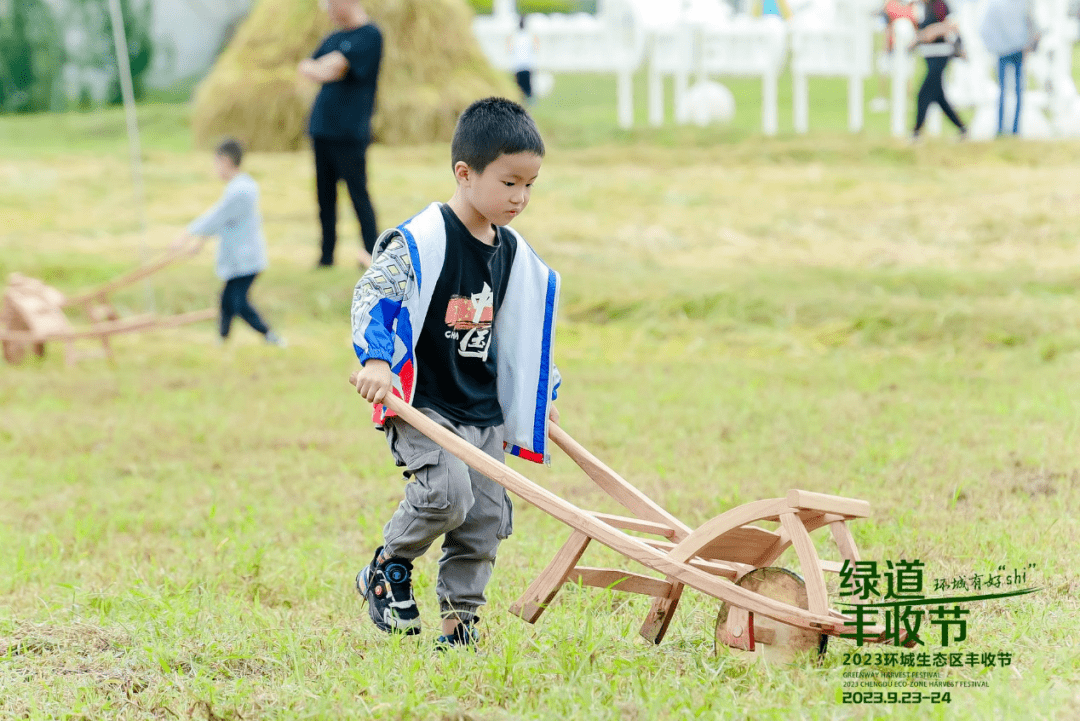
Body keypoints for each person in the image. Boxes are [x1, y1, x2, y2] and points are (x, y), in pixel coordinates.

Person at [350, 98, 561, 649]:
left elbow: (524, 330)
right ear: (464, 174)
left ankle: (458, 623)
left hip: (483, 408)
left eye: (530, 185)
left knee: (485, 518)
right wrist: (376, 358)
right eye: (510, 182)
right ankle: (388, 564)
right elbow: (377, 292)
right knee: (447, 494)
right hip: (427, 403)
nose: (520, 198)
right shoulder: (423, 238)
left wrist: (544, 394)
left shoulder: (512, 252)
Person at [173, 139, 286, 348]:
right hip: (240, 257)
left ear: (225, 161)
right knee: (226, 301)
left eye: (216, 163)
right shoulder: (239, 187)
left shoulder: (241, 190)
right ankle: (222, 340)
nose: (215, 169)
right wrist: (200, 241)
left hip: (246, 258)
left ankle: (269, 336)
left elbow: (217, 216)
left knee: (237, 302)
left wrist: (188, 234)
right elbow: (224, 219)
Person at [299, 0, 383, 269]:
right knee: (324, 197)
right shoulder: (333, 37)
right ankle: (326, 255)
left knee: (358, 194)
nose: (330, 11)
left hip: (349, 131)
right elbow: (309, 68)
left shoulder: (370, 35)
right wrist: (326, 67)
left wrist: (328, 66)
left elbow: (335, 67)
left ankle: (371, 251)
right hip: (322, 128)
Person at [911, 0, 967, 140]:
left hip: (940, 55)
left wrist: (932, 31)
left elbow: (952, 26)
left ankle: (916, 132)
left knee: (923, 95)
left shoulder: (939, 5)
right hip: (930, 56)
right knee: (938, 97)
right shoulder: (922, 7)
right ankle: (963, 129)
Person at [980, 0, 1038, 136]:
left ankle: (1000, 128)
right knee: (1018, 91)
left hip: (1002, 52)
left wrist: (993, 46)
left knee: (1002, 91)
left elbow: (984, 29)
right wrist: (1029, 46)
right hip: (1019, 49)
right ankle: (1015, 129)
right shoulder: (1023, 3)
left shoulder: (994, 4)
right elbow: (1032, 24)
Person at [507, 16, 538, 105]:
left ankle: (521, 103)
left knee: (519, 87)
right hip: (528, 65)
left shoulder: (514, 37)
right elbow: (535, 48)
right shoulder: (530, 36)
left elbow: (509, 50)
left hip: (518, 66)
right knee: (528, 87)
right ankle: (530, 103)